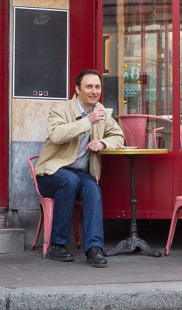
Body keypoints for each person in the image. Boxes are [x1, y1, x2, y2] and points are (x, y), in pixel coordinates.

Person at [35, 69, 124, 267]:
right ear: (77, 89)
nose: (94, 91)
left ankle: (94, 248)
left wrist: (102, 143)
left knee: (92, 188)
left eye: (97, 87)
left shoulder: (101, 110)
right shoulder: (61, 110)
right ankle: (57, 245)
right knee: (70, 180)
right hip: (51, 173)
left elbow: (118, 136)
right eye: (89, 86)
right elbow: (56, 135)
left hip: (79, 173)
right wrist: (87, 122)